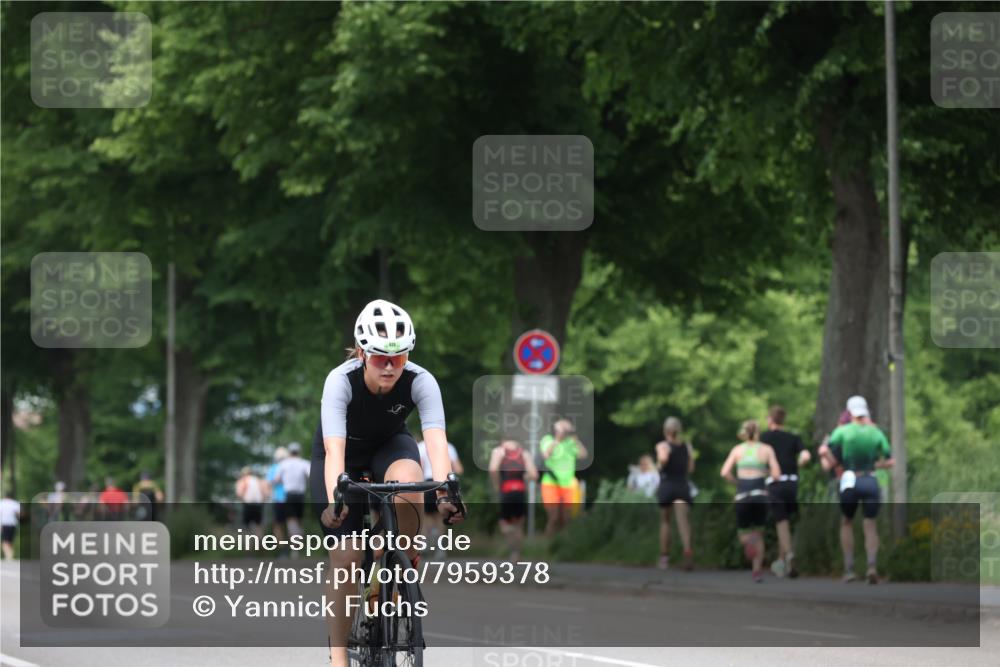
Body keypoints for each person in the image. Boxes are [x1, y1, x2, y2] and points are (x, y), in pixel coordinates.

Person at [311, 299, 463, 667]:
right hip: (342, 455)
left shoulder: (421, 381)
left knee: (410, 484)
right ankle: (339, 656)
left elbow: (436, 442)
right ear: (362, 353)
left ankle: (398, 561)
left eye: (400, 357)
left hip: (389, 447)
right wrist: (337, 499)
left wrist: (446, 491)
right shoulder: (340, 381)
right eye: (381, 357)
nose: (392, 366)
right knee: (346, 556)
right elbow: (334, 452)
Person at [828, 395, 894, 584]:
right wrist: (876, 464)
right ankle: (871, 566)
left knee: (846, 522)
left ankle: (849, 569)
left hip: (850, 478)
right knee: (870, 524)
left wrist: (836, 464)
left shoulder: (843, 431)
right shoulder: (876, 432)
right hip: (870, 479)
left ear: (850, 412)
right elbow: (889, 458)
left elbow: (829, 450)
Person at [720, 419, 781, 582]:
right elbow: (776, 474)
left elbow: (724, 472)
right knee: (758, 533)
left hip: (742, 494)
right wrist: (765, 473)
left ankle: (748, 542)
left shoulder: (737, 450)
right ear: (758, 432)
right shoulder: (767, 449)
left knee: (744, 534)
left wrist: (736, 482)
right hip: (760, 493)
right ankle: (757, 571)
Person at [760, 405, 811, 578]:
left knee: (781, 521)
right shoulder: (793, 438)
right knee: (785, 521)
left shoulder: (764, 438)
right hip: (792, 484)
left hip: (775, 483)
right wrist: (798, 465)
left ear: (769, 419)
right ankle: (781, 563)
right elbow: (805, 456)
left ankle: (789, 555)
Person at [654, 417, 695, 571]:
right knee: (683, 521)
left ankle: (664, 558)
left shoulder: (663, 445)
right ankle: (688, 551)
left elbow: (663, 459)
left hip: (667, 484)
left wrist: (659, 466)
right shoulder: (687, 446)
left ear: (665, 430)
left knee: (665, 521)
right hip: (682, 485)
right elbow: (690, 469)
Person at [488, 438, 538, 561]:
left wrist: (496, 484)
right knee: (519, 525)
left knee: (504, 524)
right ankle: (516, 553)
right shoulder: (524, 453)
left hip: (506, 491)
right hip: (520, 492)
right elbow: (534, 475)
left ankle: (512, 549)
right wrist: (524, 477)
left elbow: (493, 469)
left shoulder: (499, 451)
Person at [539, 418, 588, 538]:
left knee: (567, 518)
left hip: (568, 484)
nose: (566, 433)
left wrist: (576, 440)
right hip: (551, 483)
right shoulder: (548, 440)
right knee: (554, 517)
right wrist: (557, 440)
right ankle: (546, 546)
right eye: (563, 430)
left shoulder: (571, 442)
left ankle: (562, 547)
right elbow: (545, 455)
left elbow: (583, 455)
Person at [416, 438, 464, 554]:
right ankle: (440, 547)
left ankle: (429, 536)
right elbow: (459, 469)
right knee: (441, 515)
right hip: (443, 483)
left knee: (427, 515)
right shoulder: (449, 446)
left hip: (427, 484)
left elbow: (419, 468)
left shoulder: (421, 446)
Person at [274, 442, 310, 546]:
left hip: (289, 495)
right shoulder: (304, 463)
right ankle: (297, 537)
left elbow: (277, 480)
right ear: (299, 452)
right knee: (299, 518)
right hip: (300, 495)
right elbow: (310, 476)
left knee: (291, 519)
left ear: (289, 452)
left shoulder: (283, 464)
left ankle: (295, 536)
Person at [236, 466, 266, 538]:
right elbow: (264, 493)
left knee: (247, 526)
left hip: (248, 505)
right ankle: (260, 543)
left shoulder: (243, 480)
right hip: (258, 505)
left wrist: (243, 501)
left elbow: (239, 494)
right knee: (259, 525)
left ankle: (248, 546)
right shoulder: (258, 480)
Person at [266, 446, 289, 543]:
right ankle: (294, 549)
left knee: (278, 524)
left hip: (278, 499)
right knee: (292, 523)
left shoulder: (273, 468)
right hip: (291, 498)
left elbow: (269, 484)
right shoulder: (289, 467)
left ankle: (282, 548)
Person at [1, 492, 22, 560]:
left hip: (4, 523)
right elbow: (19, 514)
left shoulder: (2, 503)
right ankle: (9, 555)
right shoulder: (15, 503)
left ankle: (9, 555)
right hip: (13, 524)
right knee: (9, 540)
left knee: (5, 541)